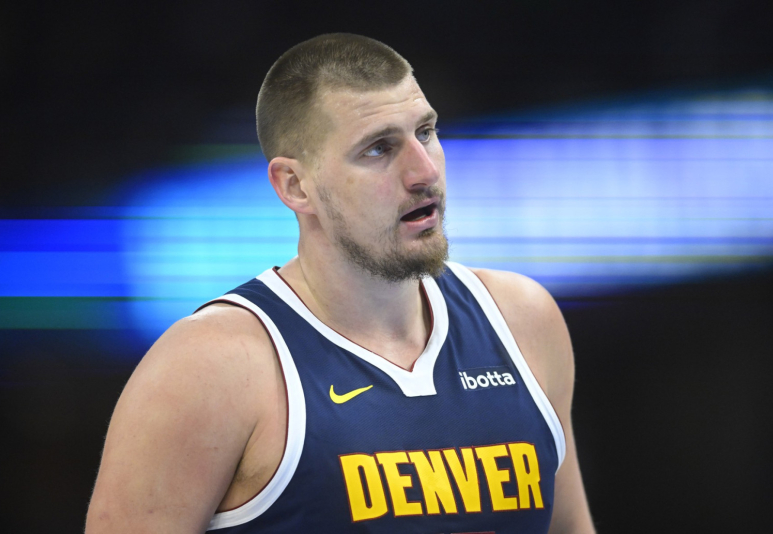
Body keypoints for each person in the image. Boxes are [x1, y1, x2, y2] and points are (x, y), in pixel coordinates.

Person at [86, 33, 595, 533]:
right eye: (378, 149)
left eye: (425, 132)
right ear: (295, 185)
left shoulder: (521, 320)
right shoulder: (213, 367)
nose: (423, 172)